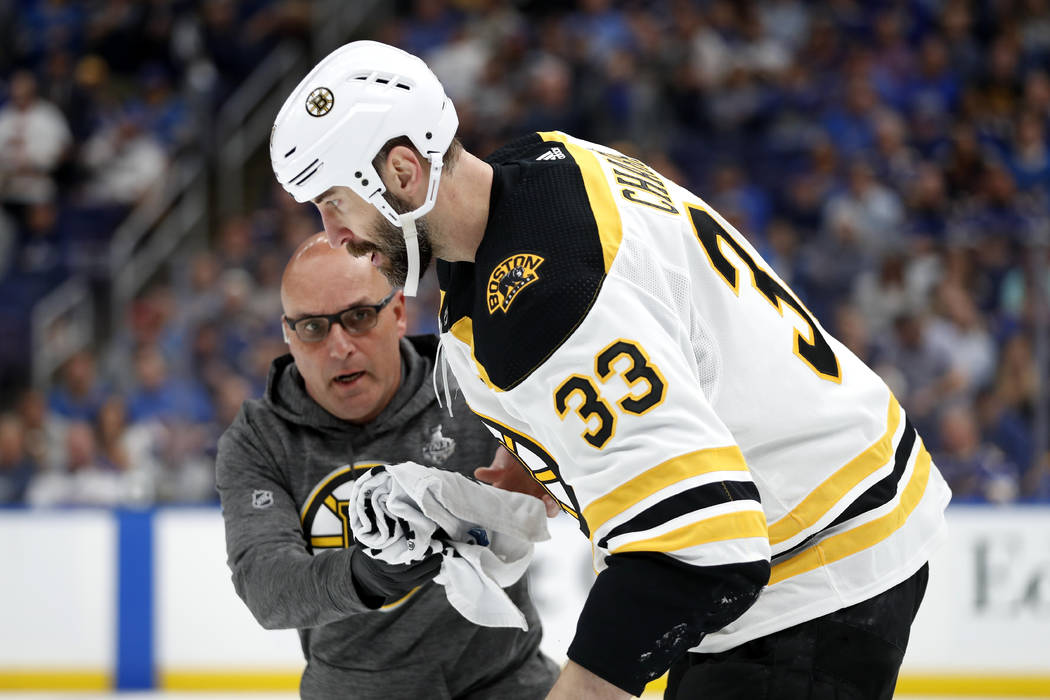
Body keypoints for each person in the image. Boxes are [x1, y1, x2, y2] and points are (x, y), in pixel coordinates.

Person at [269, 41, 952, 700]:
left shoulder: (549, 306)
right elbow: (655, 326)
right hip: (834, 492)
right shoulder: (547, 161)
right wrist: (536, 457)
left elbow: (699, 551)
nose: (332, 234)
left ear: (400, 173)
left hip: (813, 562)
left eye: (333, 203)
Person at [214, 233, 558, 700]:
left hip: (509, 682)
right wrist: (368, 576)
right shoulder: (260, 440)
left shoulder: (473, 385)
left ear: (397, 313)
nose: (339, 347)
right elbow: (267, 587)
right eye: (313, 328)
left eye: (358, 317)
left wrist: (553, 477)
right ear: (288, 337)